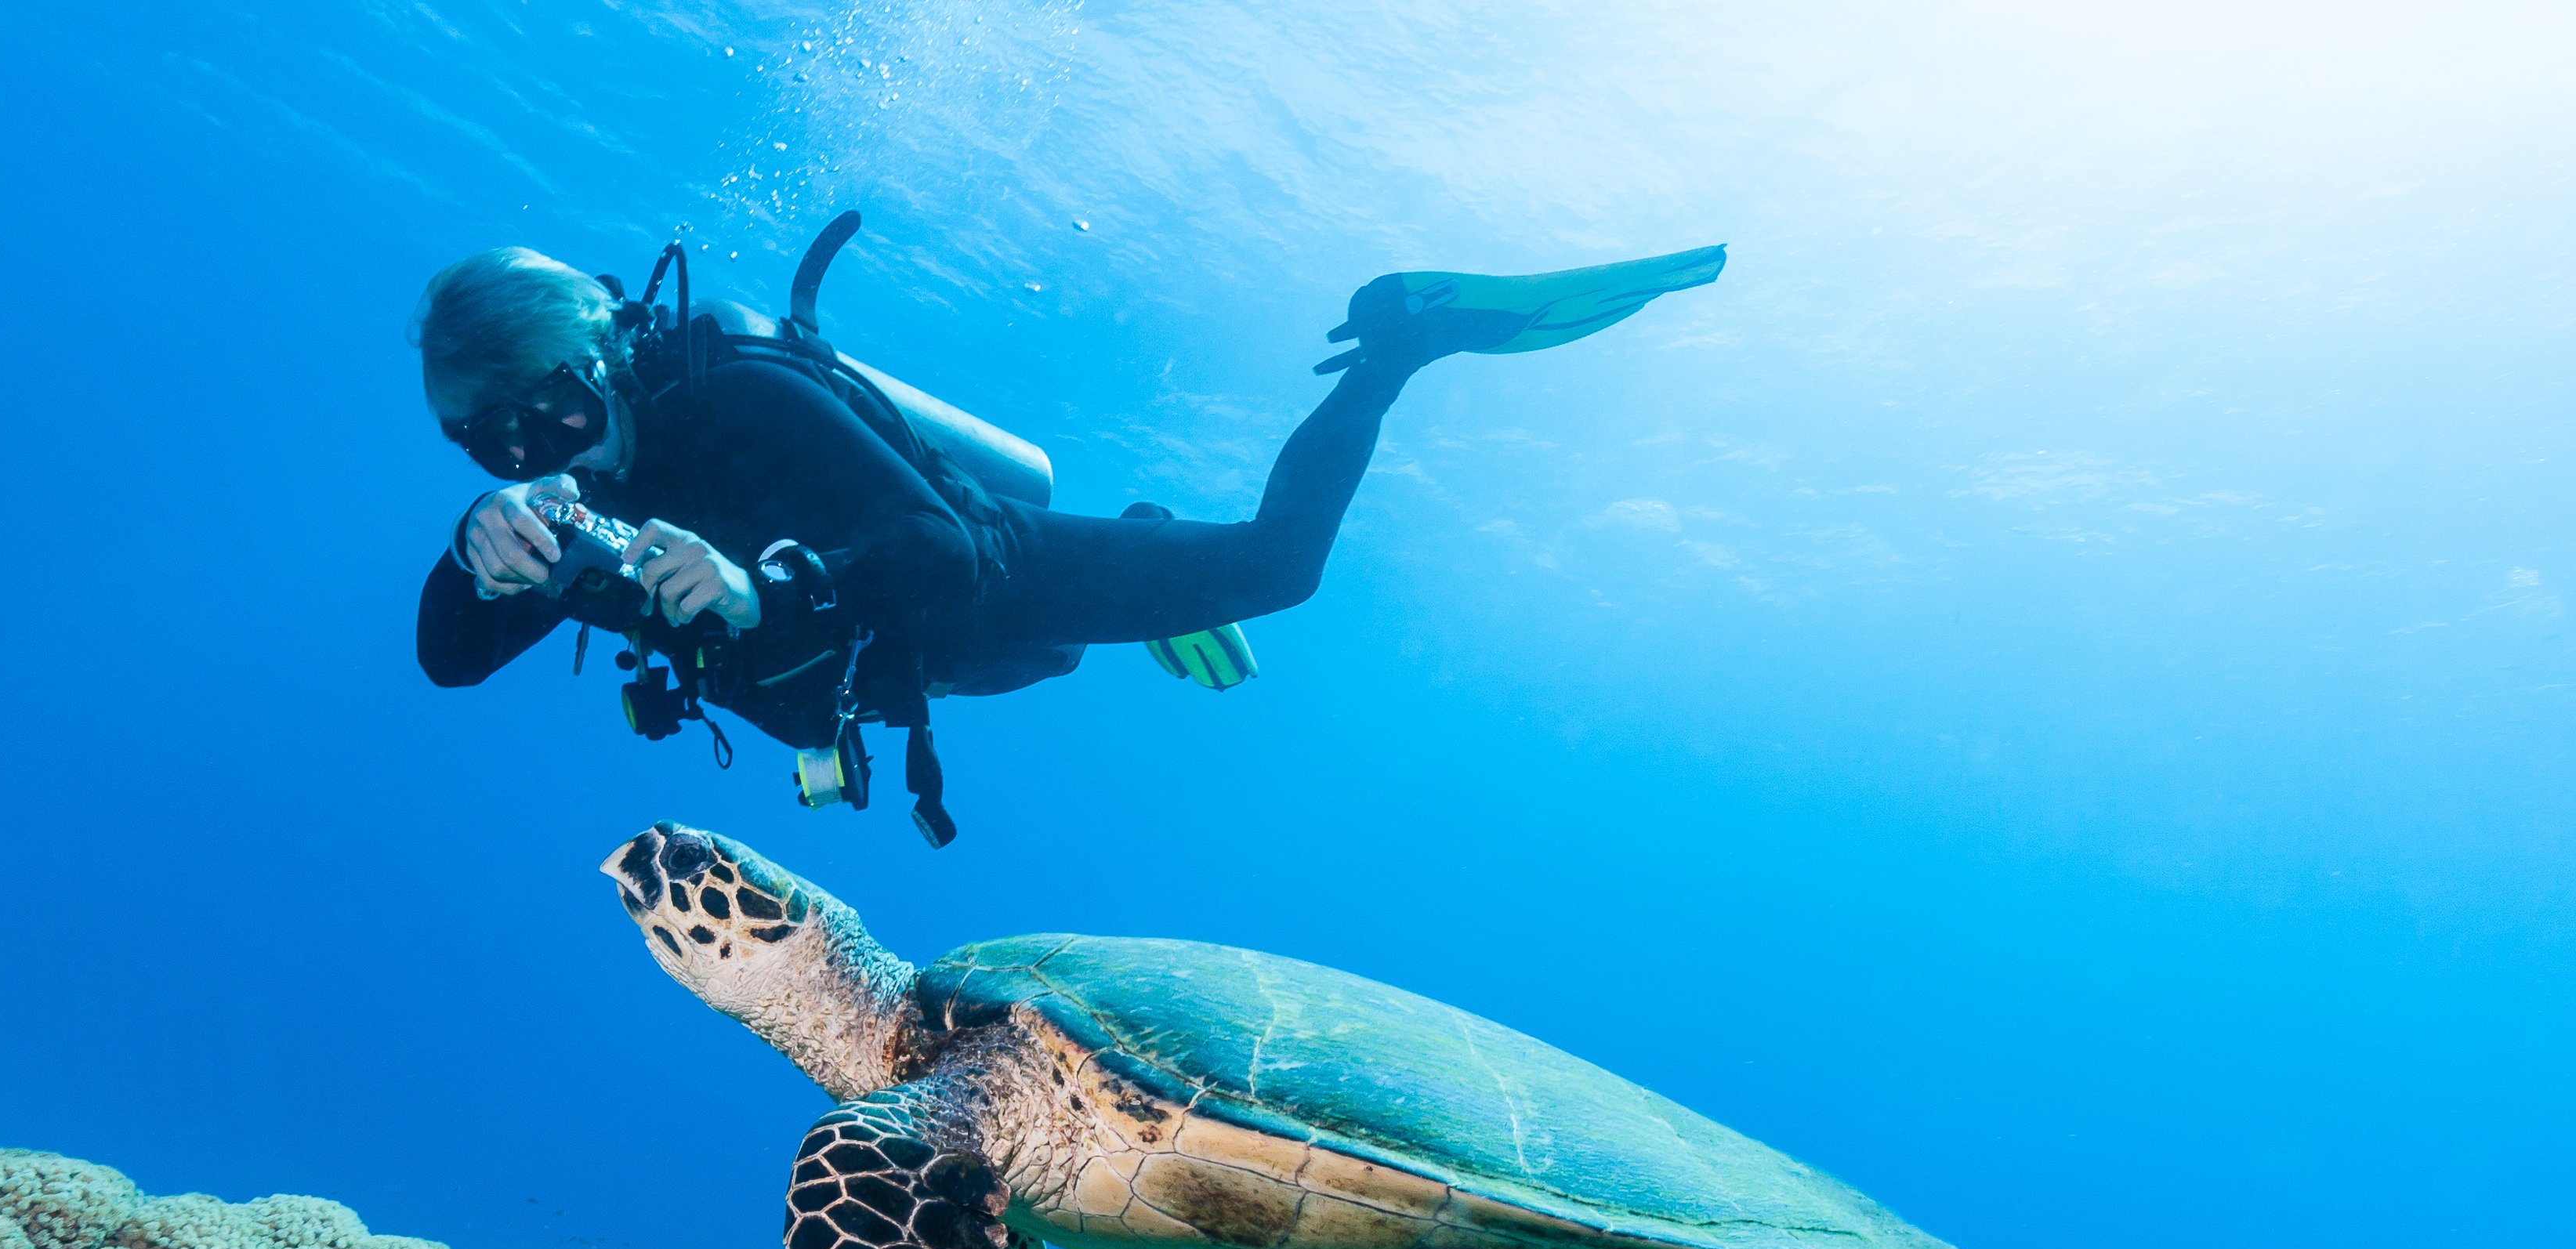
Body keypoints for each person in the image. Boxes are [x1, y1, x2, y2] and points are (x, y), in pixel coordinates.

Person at [413, 226, 1724, 842]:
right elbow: (448, 664)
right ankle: (1139, 559)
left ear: (608, 353)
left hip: (989, 573)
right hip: (906, 676)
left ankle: (1402, 338)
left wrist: (765, 595)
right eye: (500, 447)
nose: (553, 458)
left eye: (564, 411)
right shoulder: (554, 524)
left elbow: (935, 550)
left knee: (1276, 573)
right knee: (1033, 673)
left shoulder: (736, 396)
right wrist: (473, 548)